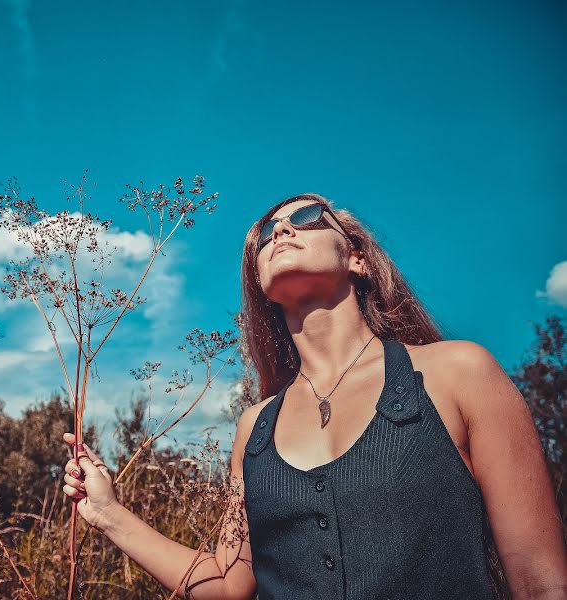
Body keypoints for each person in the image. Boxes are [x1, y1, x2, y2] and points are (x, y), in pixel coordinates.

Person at [61, 193, 567, 599]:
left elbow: (540, 581)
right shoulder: (253, 429)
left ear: (358, 258)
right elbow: (227, 581)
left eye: (306, 217)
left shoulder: (458, 372)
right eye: (265, 235)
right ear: (258, 284)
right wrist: (109, 514)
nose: (280, 231)